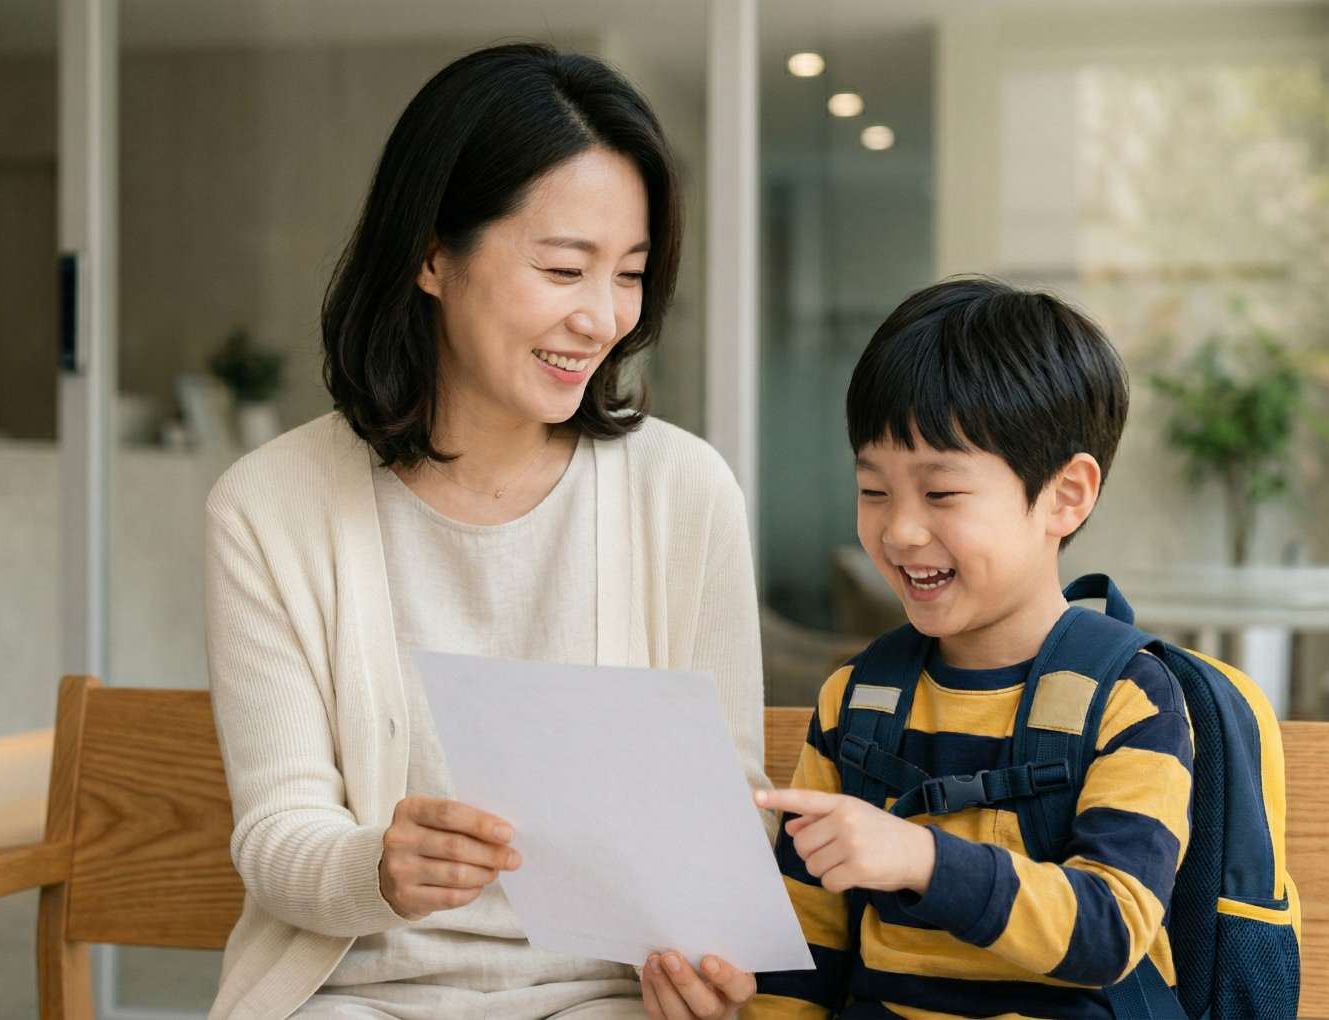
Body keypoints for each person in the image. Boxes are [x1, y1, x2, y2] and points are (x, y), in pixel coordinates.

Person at [204, 43, 766, 1020]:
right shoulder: (270, 505)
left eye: (628, 275)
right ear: (431, 254)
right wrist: (371, 863)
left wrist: (707, 952)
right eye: (562, 268)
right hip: (356, 996)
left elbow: (729, 810)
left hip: (605, 1000)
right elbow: (276, 834)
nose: (601, 318)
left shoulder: (682, 492)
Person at [746, 278, 1194, 1020]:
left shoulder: (1128, 697)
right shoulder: (855, 700)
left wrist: (922, 859)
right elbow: (804, 949)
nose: (899, 531)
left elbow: (1110, 927)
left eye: (942, 493)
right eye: (873, 490)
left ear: (1066, 495)